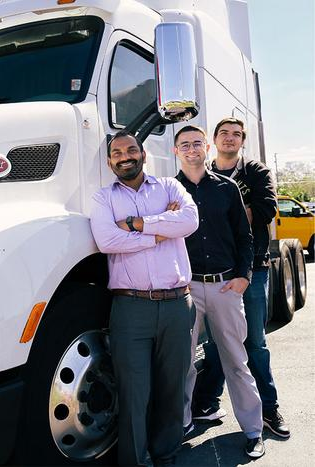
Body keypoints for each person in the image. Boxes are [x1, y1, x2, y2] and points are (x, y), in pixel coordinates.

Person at [90, 130, 198, 466]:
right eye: (117, 152)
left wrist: (137, 223)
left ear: (143, 154)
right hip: (130, 308)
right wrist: (160, 232)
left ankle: (166, 455)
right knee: (134, 394)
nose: (125, 157)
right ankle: (136, 461)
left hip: (177, 305)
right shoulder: (103, 198)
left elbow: (190, 220)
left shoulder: (170, 187)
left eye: (131, 150)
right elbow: (107, 240)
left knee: (171, 388)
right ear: (109, 162)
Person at [191, 117, 289, 438]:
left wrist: (226, 212)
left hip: (253, 268)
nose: (230, 139)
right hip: (216, 274)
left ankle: (269, 410)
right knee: (218, 341)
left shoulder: (255, 172)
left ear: (242, 141)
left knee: (255, 343)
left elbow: (265, 209)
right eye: (224, 134)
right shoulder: (204, 175)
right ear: (214, 141)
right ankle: (206, 402)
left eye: (236, 134)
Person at [175, 125, 265, 459]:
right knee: (183, 361)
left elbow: (245, 237)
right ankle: (181, 425)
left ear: (207, 147)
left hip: (226, 286)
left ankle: (254, 430)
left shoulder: (227, 188)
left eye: (197, 142)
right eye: (185, 144)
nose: (192, 148)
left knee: (236, 360)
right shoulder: (169, 191)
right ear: (176, 151)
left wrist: (244, 276)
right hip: (186, 289)